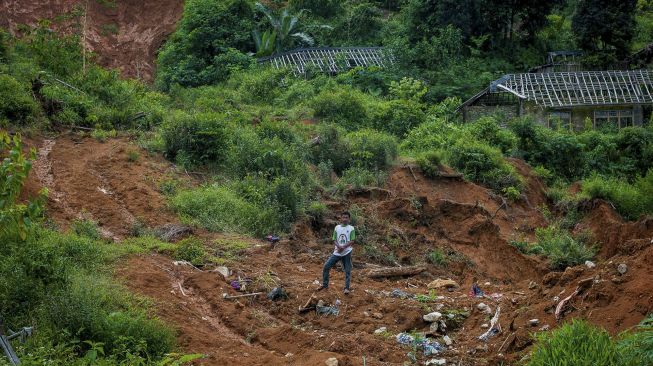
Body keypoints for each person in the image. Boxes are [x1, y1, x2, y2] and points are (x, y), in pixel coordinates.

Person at [318, 211, 356, 294]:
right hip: (337, 252)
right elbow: (334, 239)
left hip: (347, 252)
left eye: (347, 217)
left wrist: (343, 247)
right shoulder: (337, 227)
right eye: (343, 217)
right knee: (326, 266)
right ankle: (325, 285)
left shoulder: (351, 228)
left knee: (347, 270)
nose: (345, 219)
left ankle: (346, 288)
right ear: (341, 218)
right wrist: (339, 247)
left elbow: (352, 240)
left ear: (349, 219)